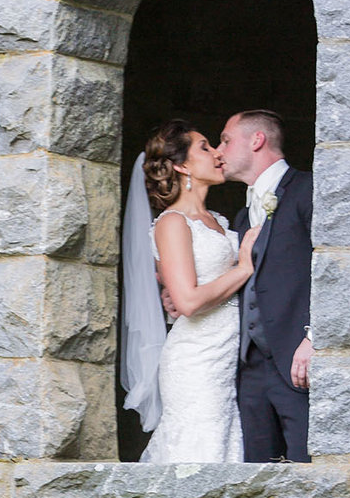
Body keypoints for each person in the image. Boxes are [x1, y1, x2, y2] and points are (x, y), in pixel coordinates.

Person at [121, 120, 258, 464]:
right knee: (200, 453)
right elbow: (188, 301)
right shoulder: (172, 222)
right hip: (196, 360)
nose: (217, 153)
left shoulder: (219, 220)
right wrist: (243, 267)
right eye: (205, 147)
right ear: (182, 166)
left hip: (226, 356)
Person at [218, 109, 313, 464]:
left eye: (226, 140)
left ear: (256, 140)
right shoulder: (244, 216)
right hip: (250, 368)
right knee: (255, 475)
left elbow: (335, 268)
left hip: (297, 361)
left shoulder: (307, 189)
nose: (218, 151)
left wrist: (314, 336)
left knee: (308, 468)